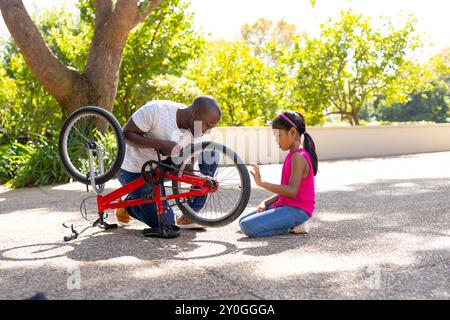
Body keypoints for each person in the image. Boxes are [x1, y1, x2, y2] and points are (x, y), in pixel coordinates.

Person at [115, 96, 222, 232]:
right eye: (208, 125)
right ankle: (127, 203)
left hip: (162, 165)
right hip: (133, 168)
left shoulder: (196, 128)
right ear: (195, 112)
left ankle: (189, 214)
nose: (208, 131)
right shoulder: (156, 111)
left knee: (210, 153)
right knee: (165, 222)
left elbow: (187, 167)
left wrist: (202, 179)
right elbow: (127, 134)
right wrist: (160, 144)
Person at [239, 111, 318, 238]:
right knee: (242, 221)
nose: (277, 141)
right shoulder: (292, 155)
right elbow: (287, 188)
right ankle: (288, 224)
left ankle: (293, 227)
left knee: (247, 226)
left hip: (298, 210)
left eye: (278, 135)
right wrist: (266, 202)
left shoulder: (298, 156)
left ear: (292, 132)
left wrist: (262, 183)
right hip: (286, 204)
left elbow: (292, 191)